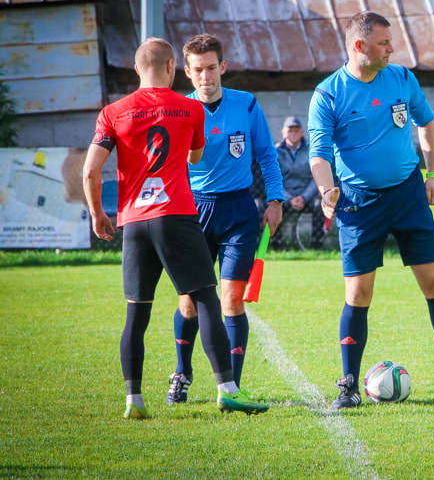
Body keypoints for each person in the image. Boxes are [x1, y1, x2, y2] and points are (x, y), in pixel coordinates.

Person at [82, 37, 268, 418]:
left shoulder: (112, 112)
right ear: (173, 68)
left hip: (133, 221)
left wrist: (98, 213)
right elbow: (195, 156)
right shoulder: (189, 108)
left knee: (136, 314)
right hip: (178, 215)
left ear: (137, 69)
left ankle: (133, 400)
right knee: (205, 302)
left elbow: (90, 170)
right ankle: (227, 389)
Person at [308, 10, 434, 409]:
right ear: (359, 47)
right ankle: (349, 387)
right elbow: (318, 153)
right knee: (358, 292)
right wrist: (326, 190)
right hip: (357, 201)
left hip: (408, 195)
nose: (393, 48)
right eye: (385, 43)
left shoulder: (402, 78)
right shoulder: (328, 93)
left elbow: (427, 123)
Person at [166, 33, 285, 405]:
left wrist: (276, 199)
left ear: (223, 67)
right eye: (198, 70)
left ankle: (231, 386)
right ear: (187, 72)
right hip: (193, 211)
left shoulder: (247, 105)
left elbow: (267, 155)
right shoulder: (179, 110)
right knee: (189, 301)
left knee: (232, 299)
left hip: (238, 212)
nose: (206, 76)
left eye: (212, 68)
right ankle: (182, 374)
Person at [273, 115, 325, 249]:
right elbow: (274, 178)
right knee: (272, 204)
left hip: (307, 195)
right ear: (283, 132)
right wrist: (289, 198)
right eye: (290, 130)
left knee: (320, 203)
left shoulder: (311, 150)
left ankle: (316, 244)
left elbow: (316, 176)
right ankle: (278, 245)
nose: (293, 134)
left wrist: (304, 197)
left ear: (302, 133)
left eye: (296, 131)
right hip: (285, 196)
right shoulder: (275, 152)